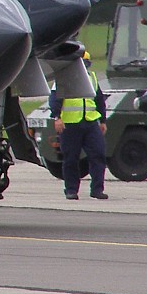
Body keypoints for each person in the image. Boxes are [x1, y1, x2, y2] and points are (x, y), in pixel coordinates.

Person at [50, 50, 108, 200]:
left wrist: (103, 121)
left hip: (90, 122)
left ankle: (97, 189)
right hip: (70, 123)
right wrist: (57, 117)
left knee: (98, 154)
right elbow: (55, 99)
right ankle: (71, 189)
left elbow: (99, 100)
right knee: (70, 158)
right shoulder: (63, 79)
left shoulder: (92, 78)